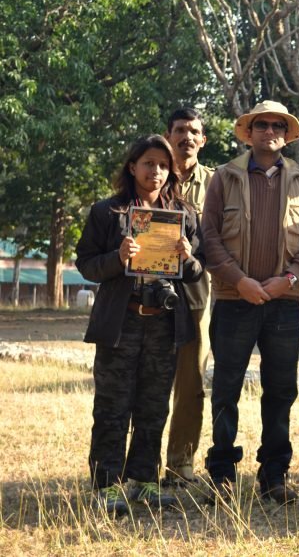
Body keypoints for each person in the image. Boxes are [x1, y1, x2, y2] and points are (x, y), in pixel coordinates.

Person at [201, 100, 299, 504]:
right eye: (261, 124)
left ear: (287, 134)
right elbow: (210, 239)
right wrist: (241, 281)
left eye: (277, 125)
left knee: (281, 390)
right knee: (226, 388)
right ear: (249, 132)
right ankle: (221, 474)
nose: (269, 130)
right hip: (234, 300)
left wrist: (288, 279)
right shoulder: (224, 177)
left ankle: (275, 475)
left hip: (285, 303)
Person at [75, 135, 204, 514]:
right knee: (113, 407)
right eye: (149, 163)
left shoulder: (184, 213)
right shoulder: (107, 212)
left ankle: (145, 481)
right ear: (132, 166)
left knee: (153, 406)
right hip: (121, 322)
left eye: (164, 165)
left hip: (163, 323)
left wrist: (188, 256)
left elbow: (197, 272)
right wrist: (117, 258)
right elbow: (86, 264)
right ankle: (107, 485)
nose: (157, 171)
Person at [162, 107, 215, 486]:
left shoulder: (219, 183)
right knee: (146, 382)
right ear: (168, 134)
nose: (187, 137)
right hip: (145, 296)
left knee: (191, 383)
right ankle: (140, 465)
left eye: (194, 131)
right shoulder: (149, 174)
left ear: (203, 139)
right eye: (180, 129)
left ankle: (180, 466)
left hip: (197, 297)